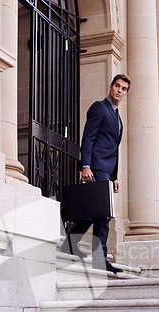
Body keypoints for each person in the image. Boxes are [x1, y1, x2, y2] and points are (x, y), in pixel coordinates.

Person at [61, 74, 131, 274]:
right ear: (110, 87)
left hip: (108, 171)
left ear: (126, 93)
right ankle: (100, 260)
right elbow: (88, 138)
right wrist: (85, 165)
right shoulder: (99, 107)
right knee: (103, 215)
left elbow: (114, 150)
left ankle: (70, 243)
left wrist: (115, 176)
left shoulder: (118, 117)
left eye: (124, 88)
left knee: (95, 211)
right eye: (117, 86)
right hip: (96, 167)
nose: (120, 90)